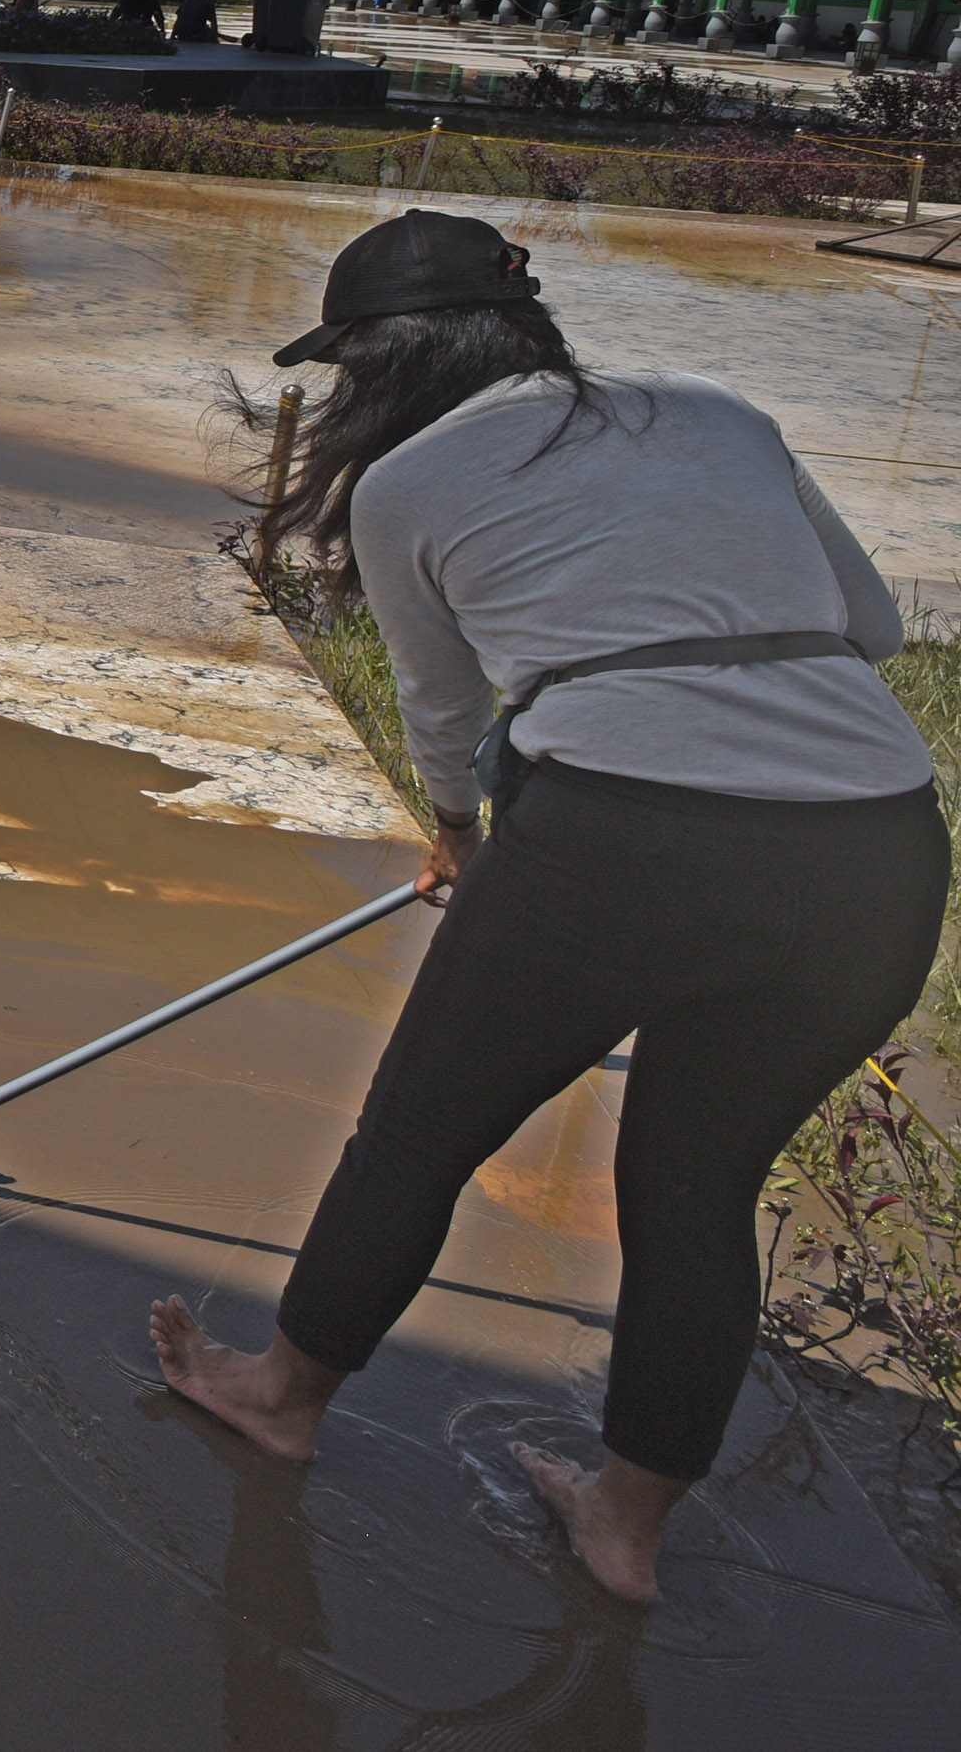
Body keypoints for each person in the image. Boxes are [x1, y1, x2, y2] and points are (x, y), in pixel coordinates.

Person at [149, 211, 948, 1608]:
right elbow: (872, 628)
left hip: (624, 836)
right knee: (697, 1190)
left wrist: (458, 829)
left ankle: (279, 1394)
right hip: (876, 846)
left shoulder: (406, 480)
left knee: (418, 1134)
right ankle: (624, 1526)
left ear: (381, 359)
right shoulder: (716, 410)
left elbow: (441, 703)